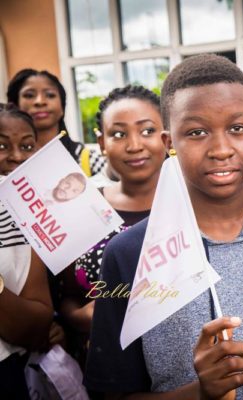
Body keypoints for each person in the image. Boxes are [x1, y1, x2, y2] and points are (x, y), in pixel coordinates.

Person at [84, 55, 243, 399]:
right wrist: (200, 393)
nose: (221, 149)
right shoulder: (130, 254)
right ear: (168, 142)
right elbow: (111, 393)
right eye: (197, 132)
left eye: (237, 128)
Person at [58, 85, 165, 368]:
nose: (134, 145)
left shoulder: (193, 206)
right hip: (104, 366)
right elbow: (67, 296)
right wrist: (81, 318)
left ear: (167, 135)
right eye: (118, 134)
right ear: (102, 142)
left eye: (147, 130)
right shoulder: (85, 208)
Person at [0, 103, 54, 398]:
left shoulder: (33, 212)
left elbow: (36, 325)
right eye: (1, 145)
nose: (16, 156)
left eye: (27, 146)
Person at [7, 69, 106, 177]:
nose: (40, 102)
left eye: (50, 95)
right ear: (15, 104)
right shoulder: (8, 162)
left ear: (62, 106)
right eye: (29, 95)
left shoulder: (89, 160)